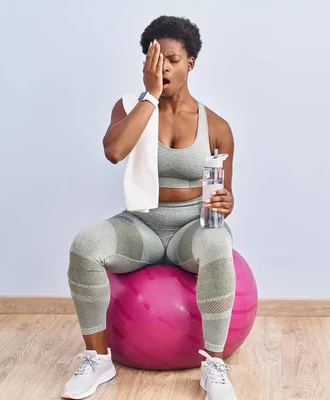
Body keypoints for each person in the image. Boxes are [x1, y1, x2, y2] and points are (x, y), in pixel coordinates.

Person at [62, 16, 238, 400]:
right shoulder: (130, 107)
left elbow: (225, 195)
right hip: (141, 226)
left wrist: (227, 201)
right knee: (85, 245)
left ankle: (213, 366)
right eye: (155, 60)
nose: (164, 68)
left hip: (191, 229)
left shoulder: (218, 126)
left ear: (190, 62)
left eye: (172, 59)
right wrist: (150, 96)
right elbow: (114, 151)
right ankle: (98, 360)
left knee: (217, 244)